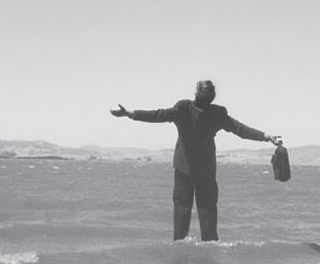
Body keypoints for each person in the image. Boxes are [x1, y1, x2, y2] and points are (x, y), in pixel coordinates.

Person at [110, 80, 281, 242]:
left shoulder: (183, 108)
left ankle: (180, 248)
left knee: (182, 211)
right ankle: (208, 249)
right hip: (205, 169)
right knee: (207, 211)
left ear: (196, 93)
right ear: (212, 96)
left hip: (184, 167)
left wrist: (130, 114)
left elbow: (158, 115)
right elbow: (240, 129)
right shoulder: (216, 113)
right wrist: (266, 137)